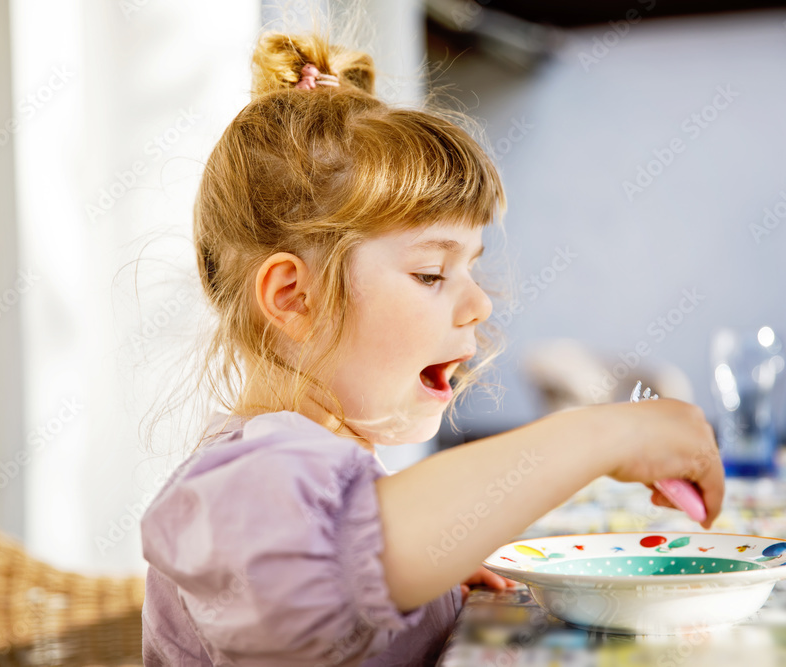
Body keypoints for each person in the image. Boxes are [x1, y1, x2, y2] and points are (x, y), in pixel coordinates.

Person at [139, 29, 724, 667]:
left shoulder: (330, 469)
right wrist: (608, 436)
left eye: (472, 268)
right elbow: (324, 574)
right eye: (430, 274)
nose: (479, 305)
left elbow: (361, 567)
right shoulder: (251, 479)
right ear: (293, 298)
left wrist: (426, 583)